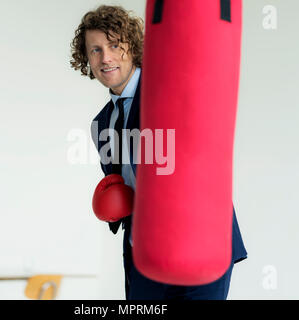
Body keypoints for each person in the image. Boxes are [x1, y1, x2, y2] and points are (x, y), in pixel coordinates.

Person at [70, 5, 247, 300]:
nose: (106, 58)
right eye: (95, 50)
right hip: (145, 252)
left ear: (133, 45)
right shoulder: (100, 123)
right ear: (87, 59)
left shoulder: (167, 86)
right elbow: (128, 182)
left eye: (114, 45)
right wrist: (115, 203)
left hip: (200, 239)